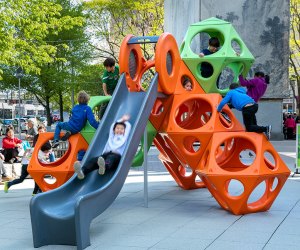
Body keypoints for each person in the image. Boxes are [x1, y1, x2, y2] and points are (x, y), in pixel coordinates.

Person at [74, 114, 131, 179]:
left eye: (122, 129)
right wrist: (120, 120)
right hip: (105, 155)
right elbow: (113, 125)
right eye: (117, 128)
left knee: (110, 158)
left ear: (124, 131)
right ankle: (82, 172)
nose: (119, 130)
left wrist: (123, 120)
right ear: (114, 130)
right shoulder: (111, 137)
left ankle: (104, 167)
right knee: (94, 160)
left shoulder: (124, 138)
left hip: (116, 157)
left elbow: (128, 126)